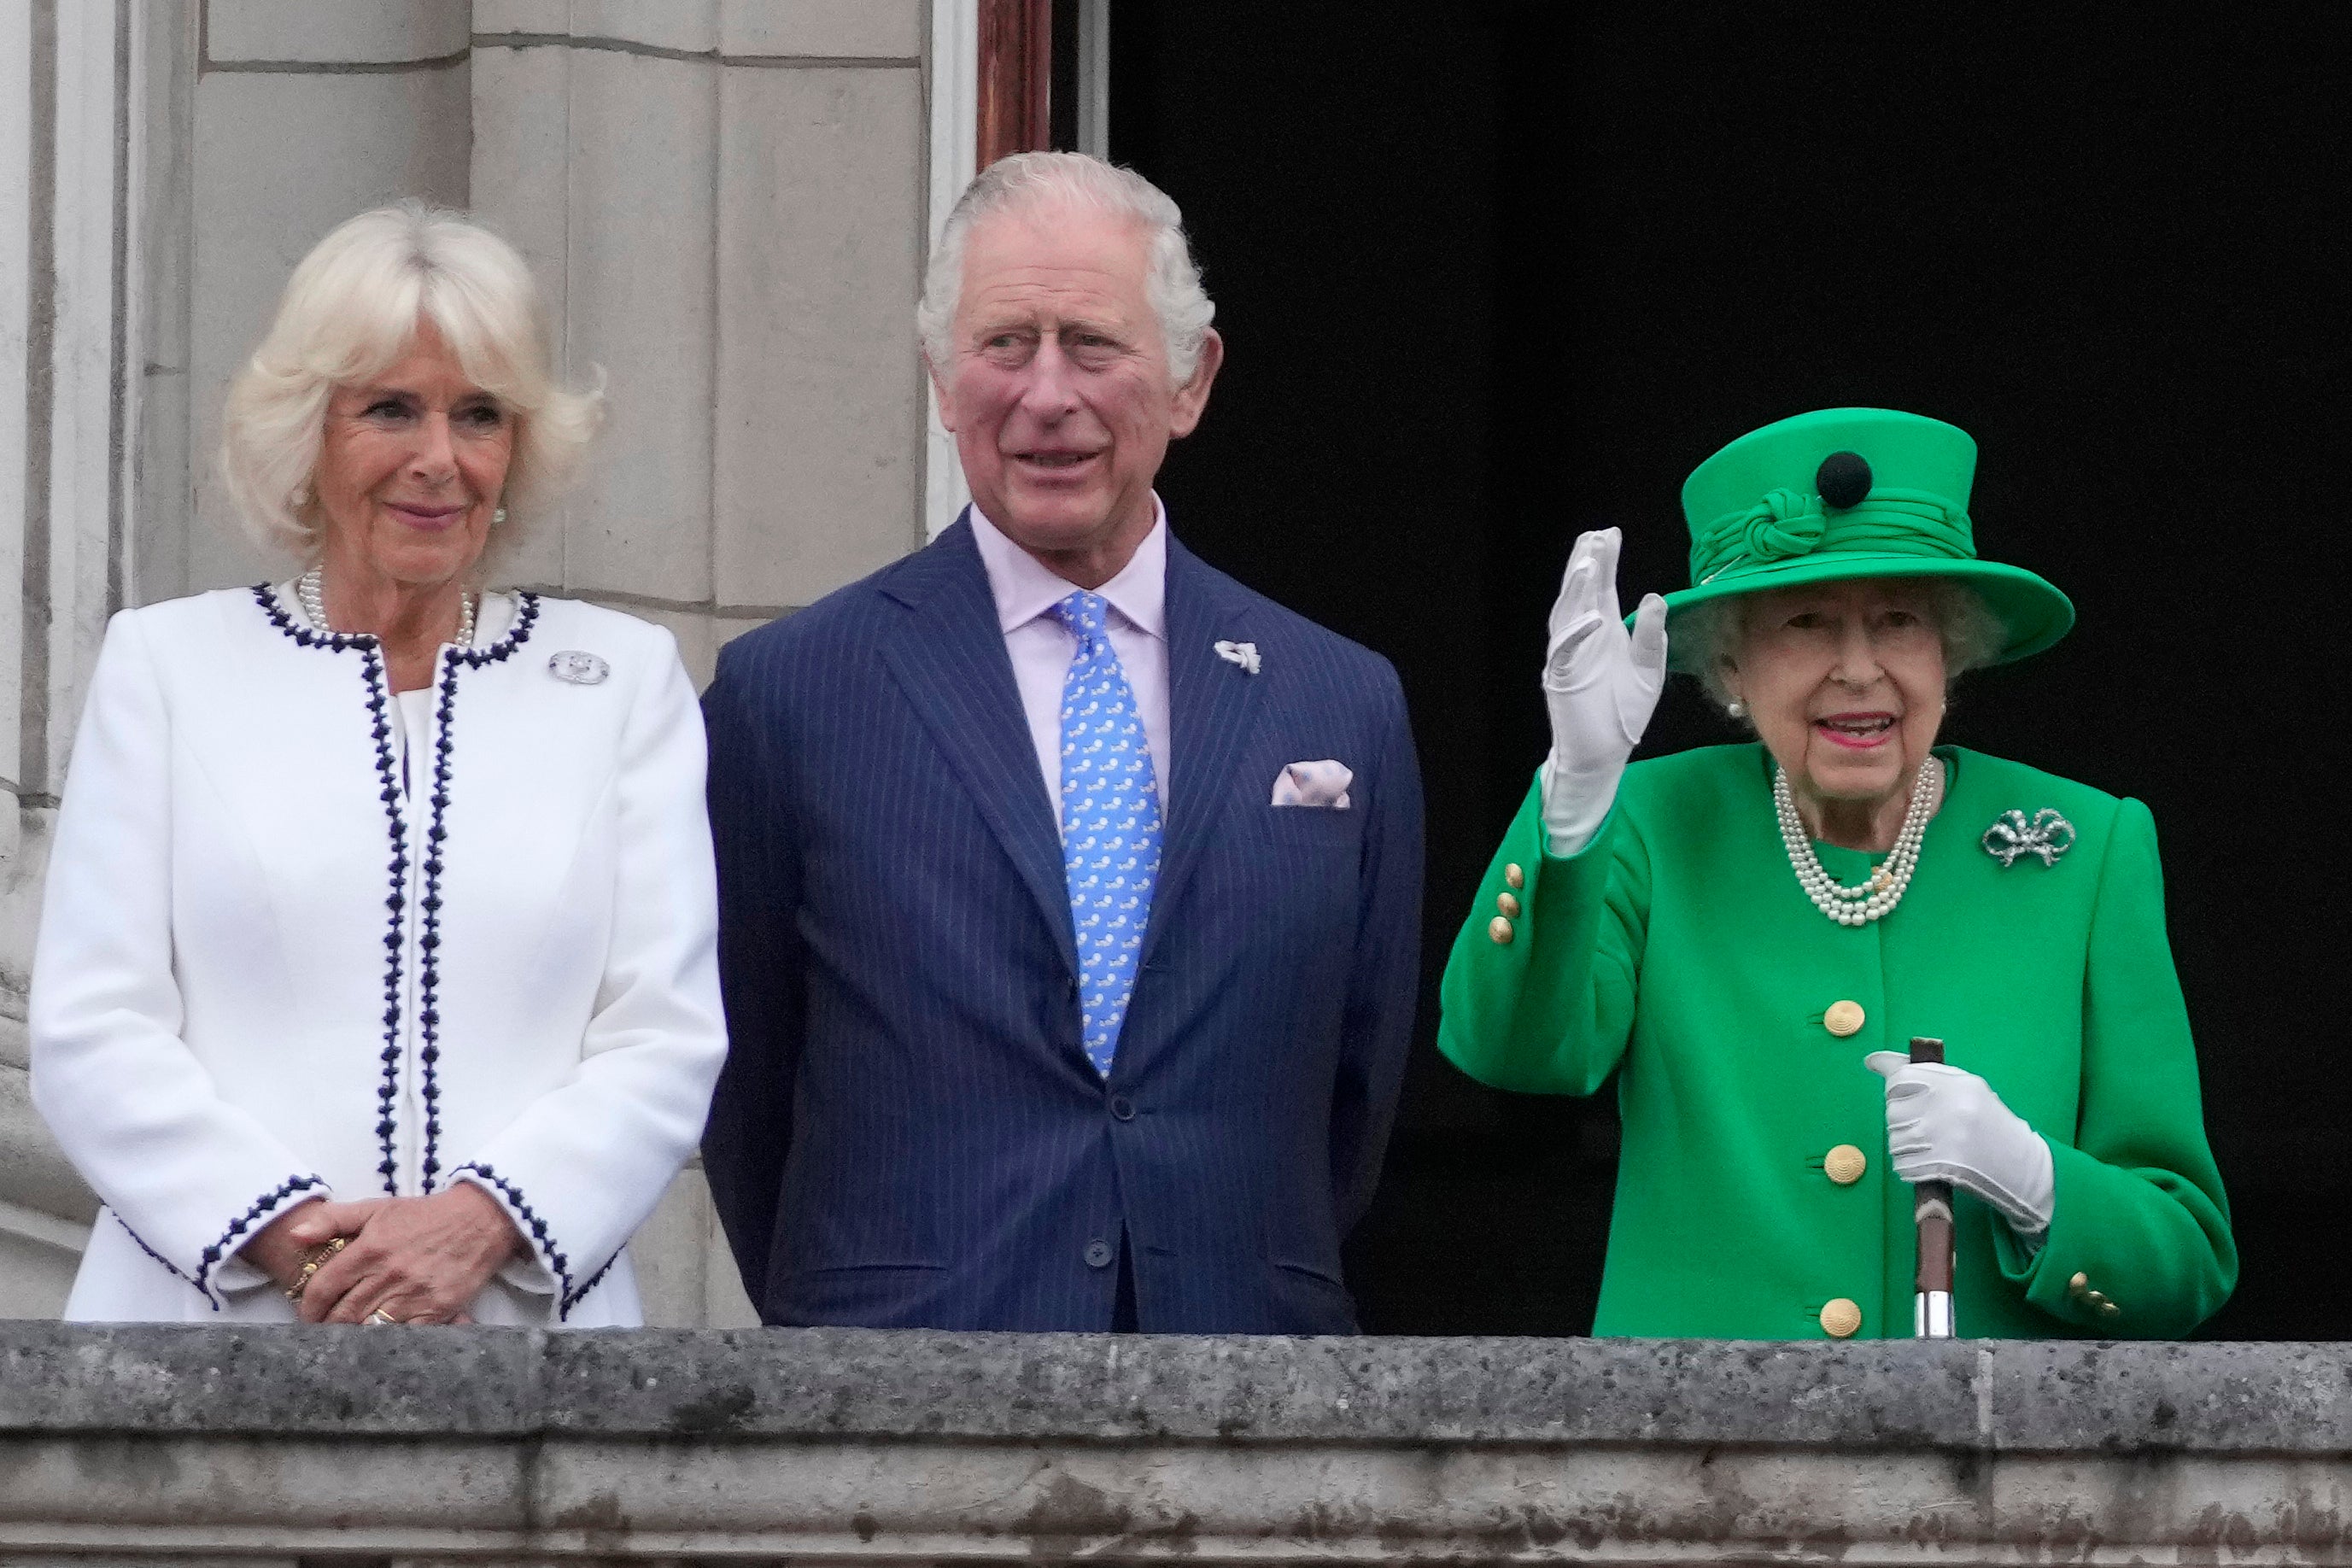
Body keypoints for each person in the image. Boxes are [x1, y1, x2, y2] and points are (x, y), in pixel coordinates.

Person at [701, 152, 1423, 1332]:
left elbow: (1357, 1088)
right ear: (940, 379)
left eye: (1092, 343)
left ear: (1190, 380)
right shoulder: (788, 694)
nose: (1046, 393)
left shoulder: (1337, 701)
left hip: (1242, 1378)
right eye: (1003, 345)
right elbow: (746, 1087)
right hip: (904, 1385)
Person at [30, 202, 727, 1326]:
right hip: (200, 1346)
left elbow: (665, 1033)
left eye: (480, 415)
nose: (439, 461)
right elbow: (89, 1027)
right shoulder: (168, 667)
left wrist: (475, 1225)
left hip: (528, 1343)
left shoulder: (623, 681)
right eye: (391, 410)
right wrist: (306, 1246)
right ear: (311, 429)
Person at [1438, 407, 2235, 1339]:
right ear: (1730, 662)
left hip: (1990, 1467)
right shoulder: (1649, 822)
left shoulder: (2086, 849)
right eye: (1806, 623)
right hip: (1694, 1458)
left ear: (1953, 651)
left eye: (1899, 621)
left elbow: (2187, 1260)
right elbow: (1517, 1051)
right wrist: (1573, 799)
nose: (1858, 671)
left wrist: (2035, 1180)